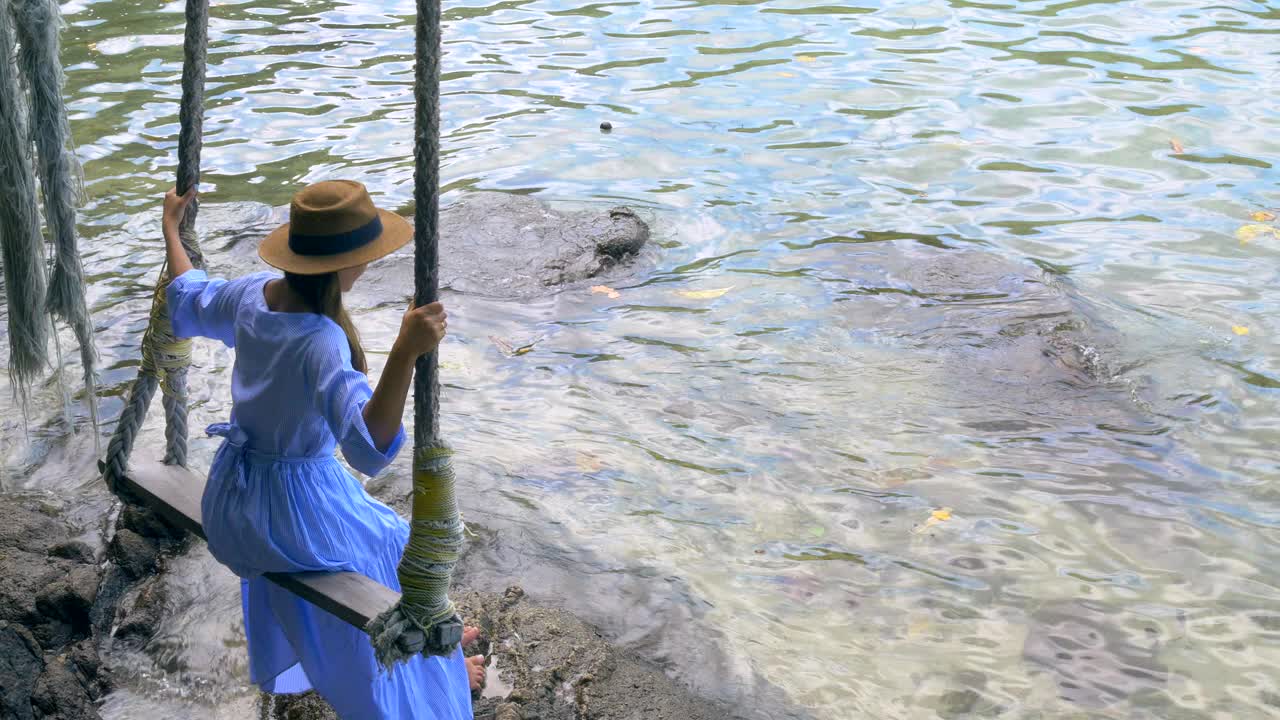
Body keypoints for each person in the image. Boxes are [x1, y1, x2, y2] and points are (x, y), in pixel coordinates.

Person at [162, 180, 481, 718]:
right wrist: (404, 351)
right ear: (346, 266)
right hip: (285, 509)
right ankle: (427, 676)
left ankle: (434, 658)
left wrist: (171, 228)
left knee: (386, 538)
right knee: (391, 546)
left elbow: (188, 298)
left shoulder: (251, 293)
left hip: (234, 498)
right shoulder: (321, 341)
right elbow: (367, 450)